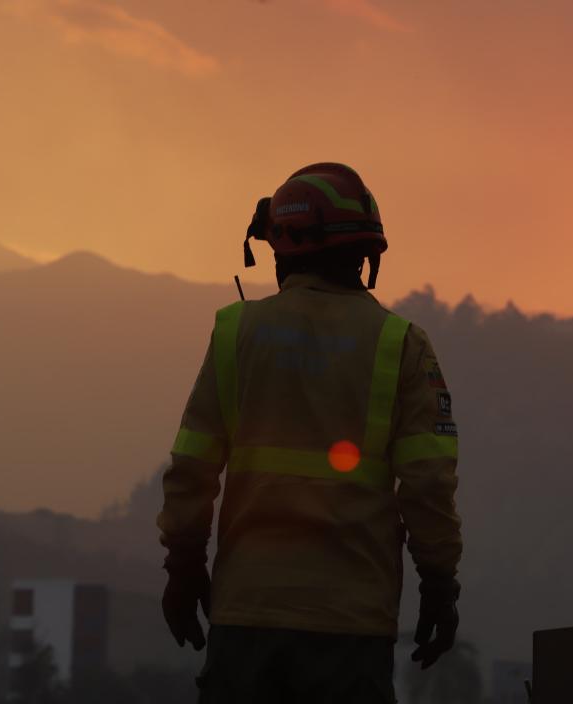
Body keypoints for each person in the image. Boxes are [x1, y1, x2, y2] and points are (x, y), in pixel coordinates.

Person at [157, 162, 463, 703]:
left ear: (282, 245)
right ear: (366, 254)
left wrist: (184, 569)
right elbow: (428, 485)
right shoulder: (402, 344)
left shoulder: (236, 333)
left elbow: (192, 468)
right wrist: (439, 584)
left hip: (247, 616)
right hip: (350, 627)